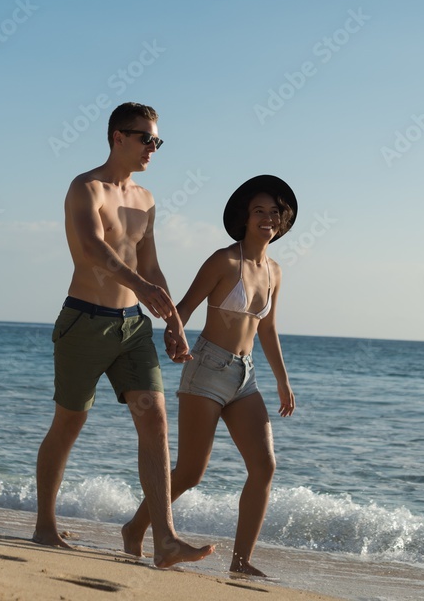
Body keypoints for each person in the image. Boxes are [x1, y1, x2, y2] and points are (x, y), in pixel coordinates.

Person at [32, 102, 213, 569]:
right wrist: (143, 286)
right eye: (145, 138)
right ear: (118, 137)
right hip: (84, 321)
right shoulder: (85, 187)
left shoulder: (146, 199)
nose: (153, 147)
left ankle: (165, 539)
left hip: (134, 326)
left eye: (157, 140)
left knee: (154, 416)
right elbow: (93, 249)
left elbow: (150, 266)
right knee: (68, 424)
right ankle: (45, 526)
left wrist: (173, 320)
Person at [122, 175, 297, 577]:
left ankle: (241, 561)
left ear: (282, 221)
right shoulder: (224, 260)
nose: (267, 218)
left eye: (274, 212)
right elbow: (183, 307)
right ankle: (135, 528)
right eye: (259, 211)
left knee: (264, 467)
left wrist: (283, 381)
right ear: (245, 217)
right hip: (207, 368)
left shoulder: (274, 271)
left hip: (244, 376)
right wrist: (171, 336)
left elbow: (267, 329)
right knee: (191, 471)